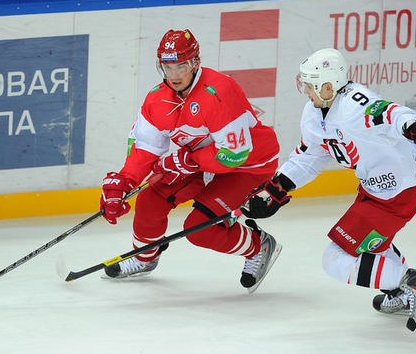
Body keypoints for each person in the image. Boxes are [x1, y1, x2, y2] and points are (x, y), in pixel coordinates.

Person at [241, 47, 416, 334]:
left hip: (397, 192)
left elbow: (388, 113)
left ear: (328, 87)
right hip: (377, 188)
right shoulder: (314, 113)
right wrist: (275, 189)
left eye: (310, 85)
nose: (305, 91)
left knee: (335, 259)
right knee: (374, 244)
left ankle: (415, 283)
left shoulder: (354, 104)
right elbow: (309, 156)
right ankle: (401, 293)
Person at [99, 29, 283, 293]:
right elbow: (145, 148)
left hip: (248, 166)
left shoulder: (219, 91)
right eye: (167, 67)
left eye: (181, 66)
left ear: (196, 62)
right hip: (201, 161)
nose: (174, 75)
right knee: (149, 201)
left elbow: (233, 154)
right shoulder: (157, 99)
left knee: (199, 229)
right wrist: (124, 182)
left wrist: (188, 160)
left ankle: (259, 245)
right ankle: (145, 257)